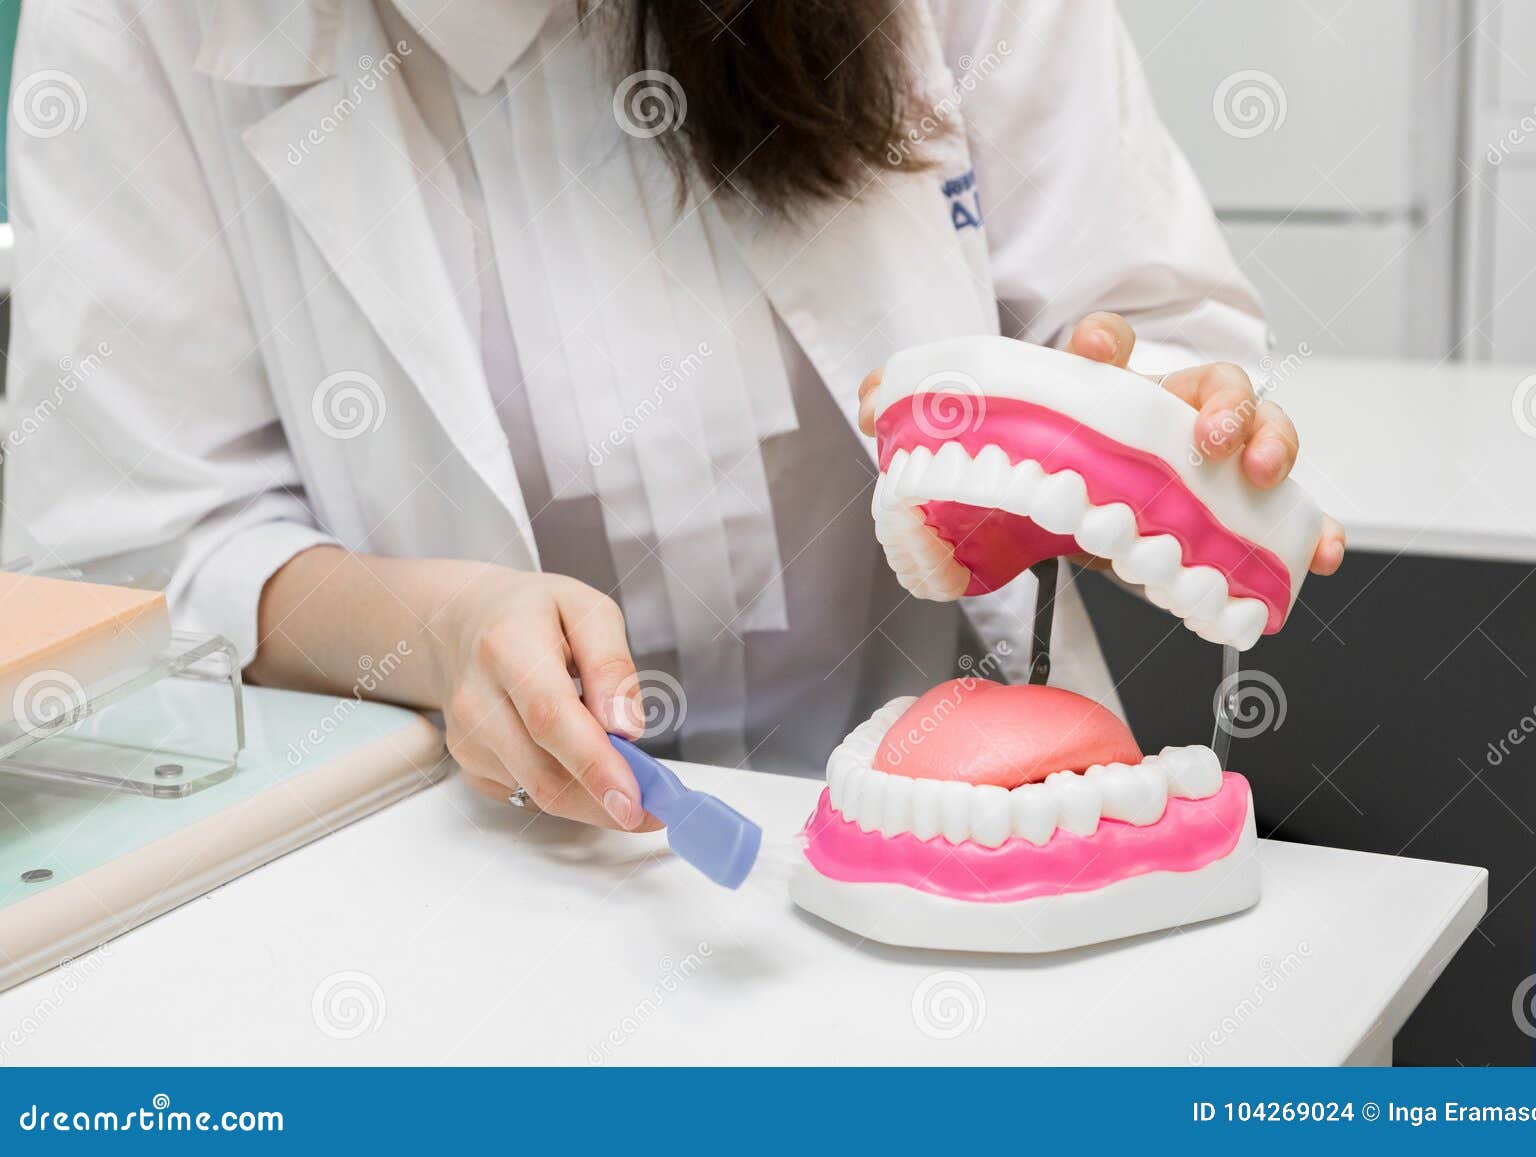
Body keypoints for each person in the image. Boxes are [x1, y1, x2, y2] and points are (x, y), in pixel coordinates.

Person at [4, 0, 1343, 834]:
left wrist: (1152, 437)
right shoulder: (139, 24)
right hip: (447, 885)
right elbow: (134, 552)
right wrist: (437, 626)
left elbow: (1131, 309)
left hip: (961, 846)